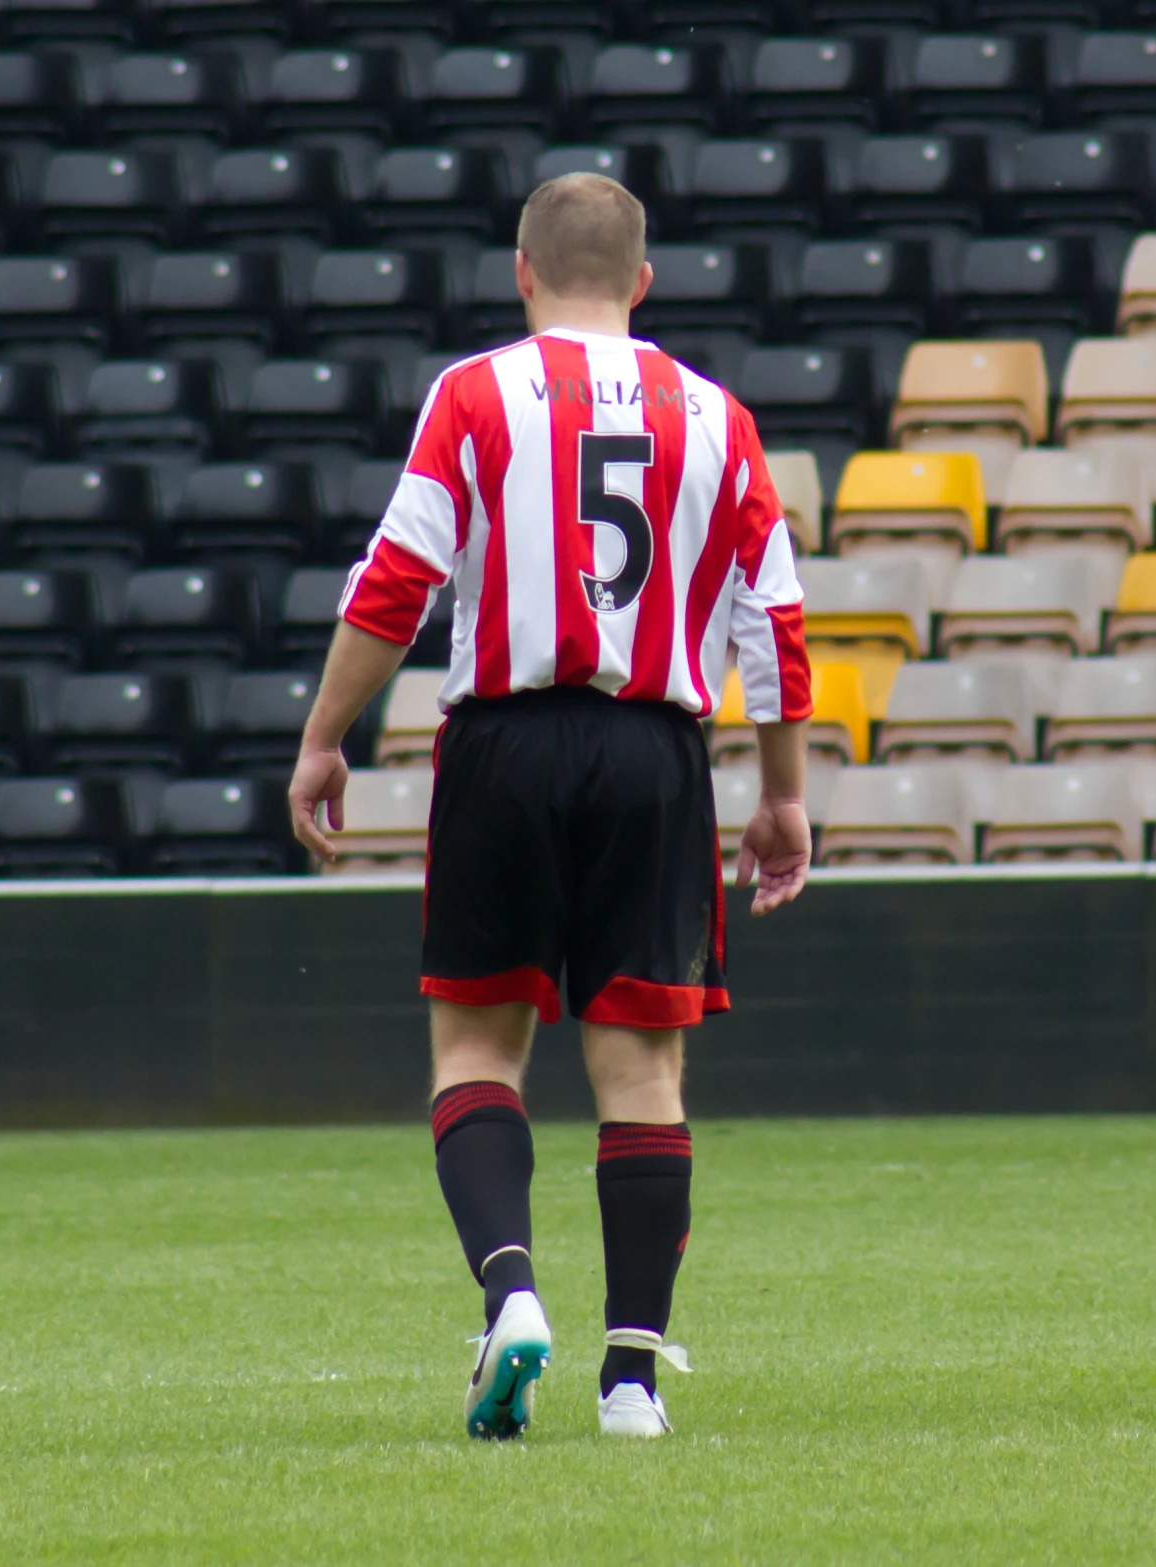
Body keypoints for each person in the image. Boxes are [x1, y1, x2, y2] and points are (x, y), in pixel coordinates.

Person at [287, 172, 814, 1441]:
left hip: (505, 747)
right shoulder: (720, 418)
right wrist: (783, 793)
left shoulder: (473, 395)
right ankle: (631, 1379)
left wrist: (322, 737)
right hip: (655, 753)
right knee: (641, 1068)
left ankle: (510, 1295)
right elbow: (776, 622)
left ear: (521, 271)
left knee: (477, 1051)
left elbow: (396, 584)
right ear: (643, 282)